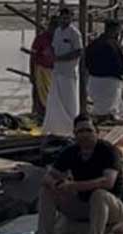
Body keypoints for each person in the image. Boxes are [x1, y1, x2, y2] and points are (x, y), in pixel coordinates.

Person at [24, 114, 123, 234]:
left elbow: (108, 182)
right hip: (83, 206)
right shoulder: (70, 152)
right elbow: (48, 176)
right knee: (46, 190)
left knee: (99, 195)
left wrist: (73, 186)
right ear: (74, 134)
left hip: (112, 207)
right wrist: (56, 185)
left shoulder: (108, 151)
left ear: (96, 133)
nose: (84, 135)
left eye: (88, 130)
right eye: (80, 131)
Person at [42, 7, 83, 137]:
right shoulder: (58, 31)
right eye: (62, 17)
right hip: (57, 71)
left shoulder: (74, 33)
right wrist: (50, 54)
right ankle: (55, 128)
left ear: (71, 18)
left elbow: (78, 51)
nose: (64, 20)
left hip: (69, 72)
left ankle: (70, 128)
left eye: (67, 17)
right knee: (55, 100)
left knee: (69, 101)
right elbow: (54, 48)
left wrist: (60, 58)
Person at [85, 20, 123, 123]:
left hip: (94, 78)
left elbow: (86, 60)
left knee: (102, 102)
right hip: (109, 79)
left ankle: (103, 117)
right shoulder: (112, 44)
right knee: (111, 101)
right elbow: (119, 62)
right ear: (114, 30)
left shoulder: (94, 43)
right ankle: (107, 117)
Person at [29, 16, 58, 118]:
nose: (54, 29)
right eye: (53, 26)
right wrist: (32, 73)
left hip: (56, 72)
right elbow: (33, 57)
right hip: (42, 70)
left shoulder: (61, 39)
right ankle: (40, 115)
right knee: (39, 96)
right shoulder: (41, 38)